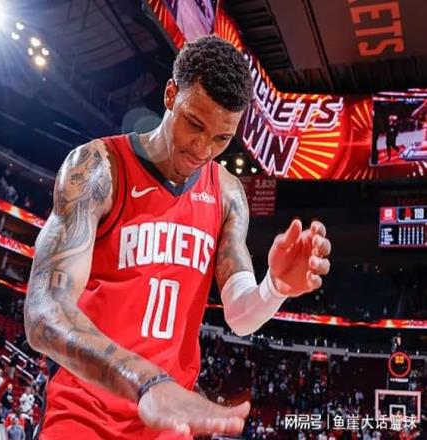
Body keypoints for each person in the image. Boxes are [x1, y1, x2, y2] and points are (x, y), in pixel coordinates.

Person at [24, 35, 331, 439]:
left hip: (167, 416)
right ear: (171, 95)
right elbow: (44, 312)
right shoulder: (99, 168)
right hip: (87, 408)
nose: (202, 148)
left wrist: (275, 287)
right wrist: (146, 380)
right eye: (194, 124)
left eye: (221, 139)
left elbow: (239, 317)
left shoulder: (227, 193)